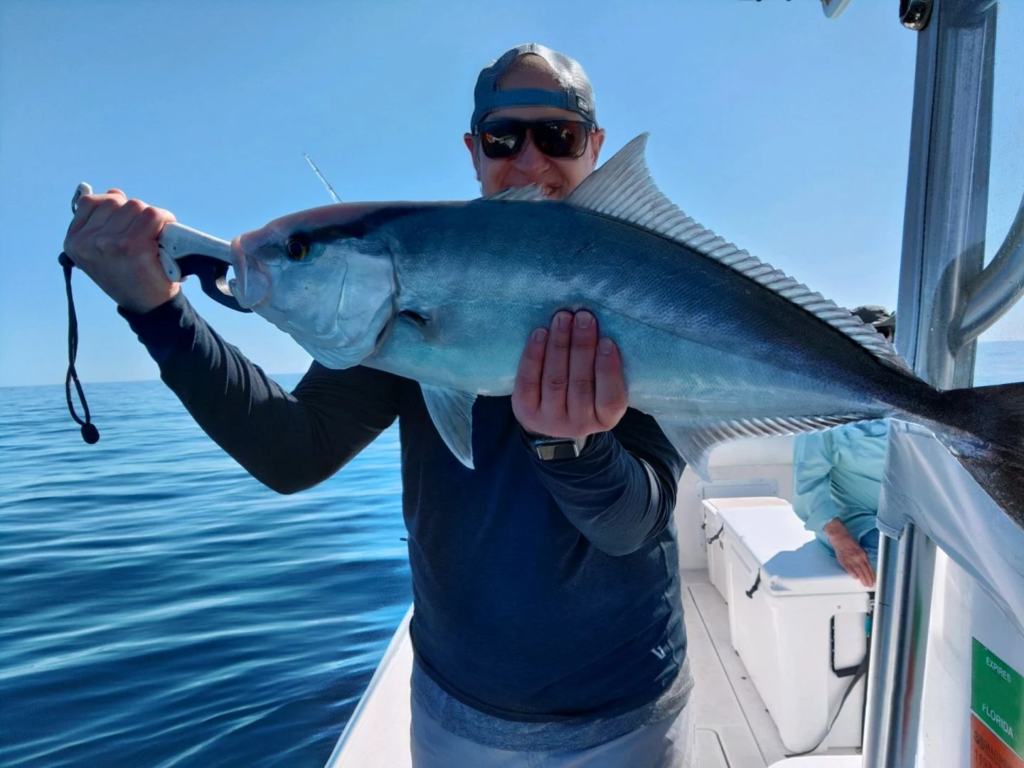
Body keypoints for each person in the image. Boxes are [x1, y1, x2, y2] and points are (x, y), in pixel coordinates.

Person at [63, 43, 695, 767]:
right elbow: (291, 451)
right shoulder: (405, 295)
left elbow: (634, 525)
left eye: (559, 137)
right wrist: (156, 309)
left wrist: (570, 449)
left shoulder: (651, 289)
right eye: (503, 138)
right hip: (456, 709)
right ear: (473, 149)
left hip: (626, 712)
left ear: (595, 147)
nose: (529, 161)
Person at [791, 305, 896, 589]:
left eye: (883, 332)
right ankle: (872, 631)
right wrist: (841, 539)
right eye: (862, 336)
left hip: (910, 518)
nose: (876, 340)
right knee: (891, 569)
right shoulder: (821, 406)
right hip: (859, 522)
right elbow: (809, 483)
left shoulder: (905, 391)